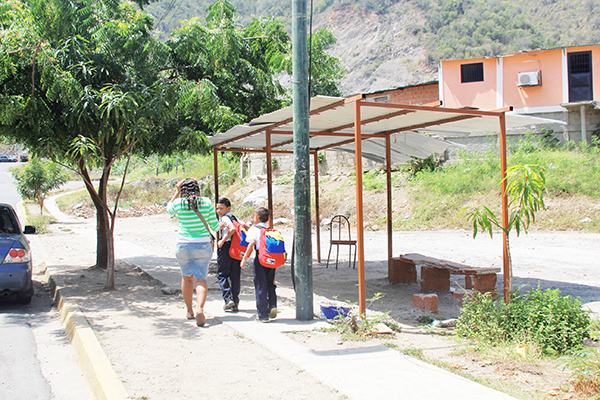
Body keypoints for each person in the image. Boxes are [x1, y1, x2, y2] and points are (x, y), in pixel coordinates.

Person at [166, 178, 218, 327]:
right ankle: (200, 308)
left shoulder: (178, 203)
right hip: (202, 245)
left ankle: (189, 311)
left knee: (186, 278)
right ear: (197, 188)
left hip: (183, 245)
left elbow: (168, 209)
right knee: (201, 280)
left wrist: (176, 191)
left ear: (183, 189)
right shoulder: (206, 202)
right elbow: (215, 226)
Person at [240, 207, 277, 322]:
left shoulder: (254, 229)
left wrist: (244, 258)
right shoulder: (270, 230)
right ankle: (272, 305)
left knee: (261, 285)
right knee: (270, 283)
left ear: (256, 218)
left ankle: (263, 314)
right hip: (271, 259)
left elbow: (252, 243)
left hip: (260, 259)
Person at [215, 197, 241, 312]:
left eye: (221, 208)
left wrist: (222, 240)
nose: (218, 211)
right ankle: (235, 302)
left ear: (228, 208)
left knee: (222, 274)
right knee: (235, 276)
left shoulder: (225, 218)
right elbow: (245, 226)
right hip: (235, 249)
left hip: (226, 248)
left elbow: (232, 229)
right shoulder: (234, 217)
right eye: (217, 208)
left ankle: (227, 298)